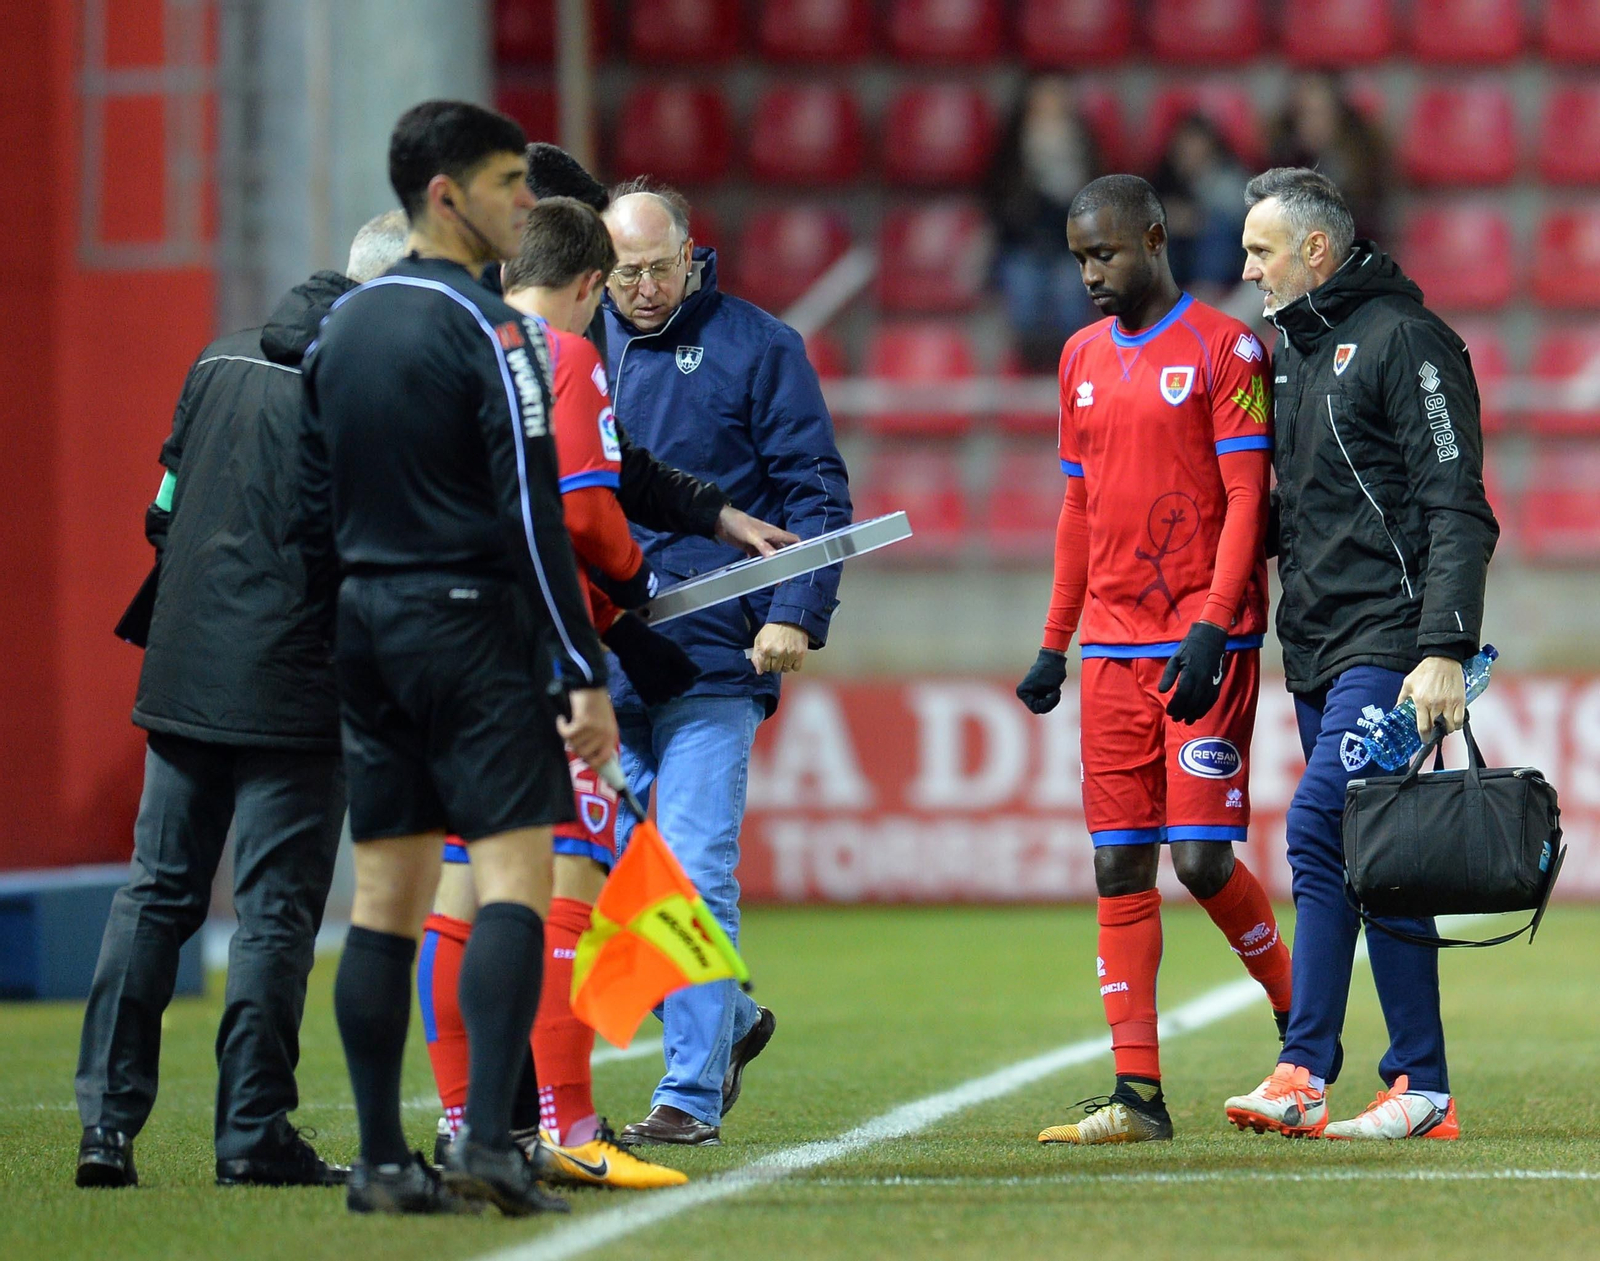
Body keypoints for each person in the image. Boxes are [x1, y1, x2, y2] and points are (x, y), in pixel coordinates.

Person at [301, 100, 614, 1216]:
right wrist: (578, 667)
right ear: (446, 195)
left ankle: (384, 1158)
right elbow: (535, 513)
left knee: (384, 899)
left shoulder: (342, 325)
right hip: (470, 630)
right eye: (506, 185)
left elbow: (310, 500)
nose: (526, 206)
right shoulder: (501, 333)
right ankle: (490, 1138)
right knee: (512, 883)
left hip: (365, 626)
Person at [72, 211, 410, 1192]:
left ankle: (106, 1128)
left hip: (183, 675)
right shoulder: (373, 392)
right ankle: (251, 1134)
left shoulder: (217, 359)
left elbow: (162, 509)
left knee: (155, 894)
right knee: (271, 917)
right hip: (299, 691)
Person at [418, 195, 712, 1191]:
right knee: (569, 895)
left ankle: (467, 1127)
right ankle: (570, 1124)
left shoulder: (459, 348)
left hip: (443, 648)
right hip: (539, 657)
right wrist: (636, 592)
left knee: (457, 895)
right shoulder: (562, 356)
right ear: (592, 282)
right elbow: (586, 516)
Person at [1014, 174, 1294, 1146]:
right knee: (1116, 861)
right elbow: (1078, 510)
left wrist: (1217, 623)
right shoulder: (1079, 358)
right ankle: (1137, 1094)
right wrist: (1055, 642)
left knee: (1200, 858)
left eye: (1105, 254)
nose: (1091, 274)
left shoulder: (1225, 349)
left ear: (1152, 237)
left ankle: (1303, 1028)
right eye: (1079, 258)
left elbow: (1245, 495)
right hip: (1111, 649)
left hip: (1202, 644)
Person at [1224, 168, 1498, 1140]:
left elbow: (1455, 501)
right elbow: (1292, 515)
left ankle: (1304, 1067)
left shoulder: (1407, 341)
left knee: (1318, 828)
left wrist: (1443, 648)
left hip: (1391, 640)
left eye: (1260, 249)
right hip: (1319, 647)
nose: (1245, 266)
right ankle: (1421, 1086)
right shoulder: (1289, 357)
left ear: (1314, 250)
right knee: (1378, 860)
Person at [600, 180, 852, 1147]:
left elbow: (815, 490)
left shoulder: (761, 347)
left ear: (694, 254)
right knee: (618, 875)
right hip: (604, 656)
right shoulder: (578, 351)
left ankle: (689, 1095)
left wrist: (796, 611)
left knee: (694, 867)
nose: (648, 288)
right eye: (628, 272)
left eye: (662, 267)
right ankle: (731, 1020)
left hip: (711, 654)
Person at [987, 78, 1102, 371]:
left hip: (1070, 250)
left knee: (1070, 288)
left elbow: (1099, 206)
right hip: (1022, 246)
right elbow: (998, 205)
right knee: (1023, 285)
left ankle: (1070, 367)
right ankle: (1030, 368)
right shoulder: (1012, 153)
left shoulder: (1084, 151)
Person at [1266, 77, 1388, 244]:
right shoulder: (1279, 165)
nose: (1313, 123)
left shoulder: (1361, 168)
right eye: (1305, 114)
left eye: (1320, 113)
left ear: (1338, 116)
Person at [1149, 115, 1249, 298]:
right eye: (1182, 149)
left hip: (1231, 259)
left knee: (1218, 229)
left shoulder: (1228, 178)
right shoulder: (1168, 181)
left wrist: (1196, 219)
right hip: (1184, 260)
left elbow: (1238, 219)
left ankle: (1207, 293)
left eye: (1194, 147)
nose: (1187, 154)